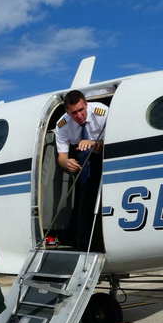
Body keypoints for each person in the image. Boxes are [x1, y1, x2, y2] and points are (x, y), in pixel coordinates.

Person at [55, 90, 109, 251]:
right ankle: (83, 245)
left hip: (103, 157)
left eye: (81, 110)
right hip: (81, 159)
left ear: (86, 104)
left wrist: (93, 143)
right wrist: (66, 163)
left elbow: (113, 144)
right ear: (67, 112)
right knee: (85, 201)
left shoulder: (102, 113)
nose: (79, 115)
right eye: (74, 113)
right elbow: (61, 156)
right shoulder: (62, 125)